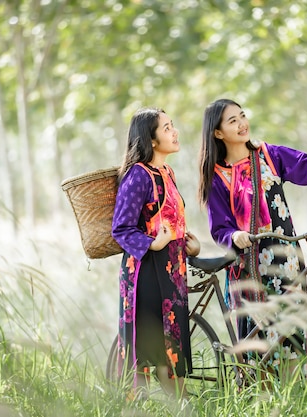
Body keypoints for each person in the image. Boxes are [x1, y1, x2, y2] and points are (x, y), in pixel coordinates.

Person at [197, 95, 307, 384]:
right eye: (232, 120)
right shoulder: (217, 177)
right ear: (217, 132)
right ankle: (261, 401)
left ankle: (294, 400)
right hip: (249, 270)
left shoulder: (269, 155)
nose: (242, 124)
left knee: (292, 334)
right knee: (259, 341)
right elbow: (220, 229)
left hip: (287, 263)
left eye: (242, 116)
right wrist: (235, 235)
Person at [112, 107, 200, 399]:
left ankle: (179, 405)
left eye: (172, 126)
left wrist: (188, 243)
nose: (174, 132)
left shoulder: (167, 172)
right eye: (166, 128)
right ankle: (167, 406)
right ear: (150, 140)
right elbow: (121, 228)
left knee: (170, 347)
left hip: (172, 271)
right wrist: (153, 244)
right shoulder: (138, 176)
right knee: (154, 351)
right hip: (146, 275)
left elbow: (170, 222)